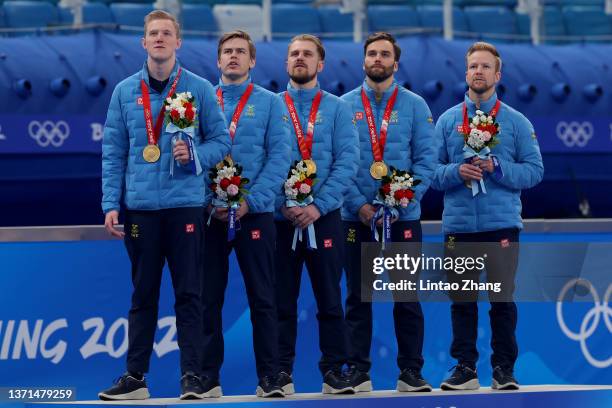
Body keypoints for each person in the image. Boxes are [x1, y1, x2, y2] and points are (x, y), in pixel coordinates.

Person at [99, 10, 230, 400]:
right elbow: (113, 151)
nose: (159, 38)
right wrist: (111, 202)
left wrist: (194, 153)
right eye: (152, 33)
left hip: (185, 206)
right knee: (143, 295)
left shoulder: (199, 87)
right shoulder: (125, 91)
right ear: (143, 43)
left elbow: (221, 141)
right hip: (140, 209)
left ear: (178, 41)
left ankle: (193, 376)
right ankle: (135, 377)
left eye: (166, 33)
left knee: (190, 294)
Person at [432, 41, 543, 391]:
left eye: (485, 66)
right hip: (459, 228)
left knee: (501, 301)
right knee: (462, 303)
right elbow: (430, 172)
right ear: (465, 73)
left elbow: (535, 171)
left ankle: (504, 370)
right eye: (473, 66)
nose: (478, 72)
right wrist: (456, 172)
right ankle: (465, 367)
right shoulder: (449, 121)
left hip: (501, 227)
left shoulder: (516, 122)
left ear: (498, 74)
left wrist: (498, 168)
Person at [340, 32, 436, 392]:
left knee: (407, 297)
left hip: (403, 219)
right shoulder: (343, 106)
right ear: (363, 61)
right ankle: (358, 372)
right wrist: (360, 206)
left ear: (396, 63)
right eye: (371, 54)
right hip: (356, 218)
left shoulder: (415, 106)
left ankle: (411, 372)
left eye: (384, 54)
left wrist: (402, 204)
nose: (377, 59)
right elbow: (338, 163)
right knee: (357, 297)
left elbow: (426, 162)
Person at [200, 30, 291, 398]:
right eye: (227, 52)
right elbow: (189, 156)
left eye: (240, 52)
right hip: (210, 215)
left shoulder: (271, 103)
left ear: (252, 61)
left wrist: (250, 202)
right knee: (207, 298)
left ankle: (271, 377)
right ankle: (206, 378)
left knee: (264, 297)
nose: (233, 56)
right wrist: (209, 200)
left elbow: (280, 157)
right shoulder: (200, 101)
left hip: (255, 213)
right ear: (218, 60)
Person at [274, 34, 359, 395]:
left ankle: (335, 371)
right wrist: (283, 202)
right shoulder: (271, 106)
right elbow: (261, 161)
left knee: (329, 298)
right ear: (286, 63)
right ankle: (278, 373)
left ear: (320, 64)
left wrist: (317, 205)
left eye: (307, 54)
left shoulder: (338, 108)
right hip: (281, 219)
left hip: (323, 218)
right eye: (294, 54)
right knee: (280, 301)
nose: (300, 59)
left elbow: (348, 161)